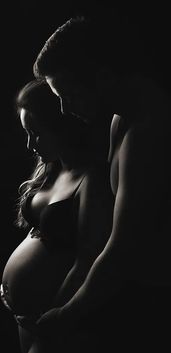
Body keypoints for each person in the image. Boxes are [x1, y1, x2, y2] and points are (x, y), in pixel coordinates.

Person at [32, 12, 171, 351]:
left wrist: (66, 314)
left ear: (104, 76)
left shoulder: (149, 133)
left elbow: (124, 249)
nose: (64, 109)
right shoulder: (119, 120)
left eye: (69, 93)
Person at [0, 79, 114, 352]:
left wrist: (52, 316)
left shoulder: (91, 180)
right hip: (26, 317)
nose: (30, 144)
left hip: (56, 322)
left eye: (36, 132)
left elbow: (87, 260)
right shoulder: (50, 170)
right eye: (26, 132)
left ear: (61, 126)